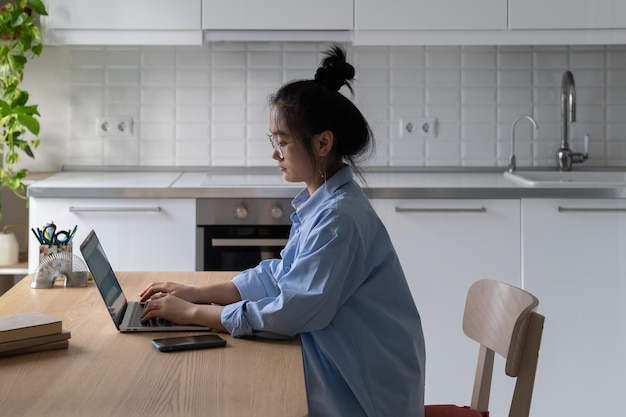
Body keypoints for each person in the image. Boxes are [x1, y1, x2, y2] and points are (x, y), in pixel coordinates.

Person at [140, 45, 426, 417]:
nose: (275, 154)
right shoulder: (323, 203)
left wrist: (195, 314)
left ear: (323, 142)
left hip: (365, 393)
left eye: (282, 141)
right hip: (343, 364)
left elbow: (291, 311)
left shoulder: (340, 219)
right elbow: (283, 276)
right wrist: (200, 293)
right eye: (273, 141)